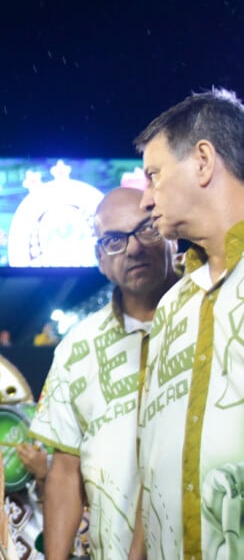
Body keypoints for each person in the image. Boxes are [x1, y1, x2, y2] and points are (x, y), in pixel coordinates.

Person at [28, 186, 179, 559]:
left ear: (171, 235)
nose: (133, 248)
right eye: (114, 240)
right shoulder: (77, 348)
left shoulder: (205, 315)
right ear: (99, 258)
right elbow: (65, 471)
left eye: (146, 229)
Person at [133, 87, 244, 559]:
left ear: (203, 161)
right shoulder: (173, 304)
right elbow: (151, 455)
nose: (145, 199)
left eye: (153, 176)